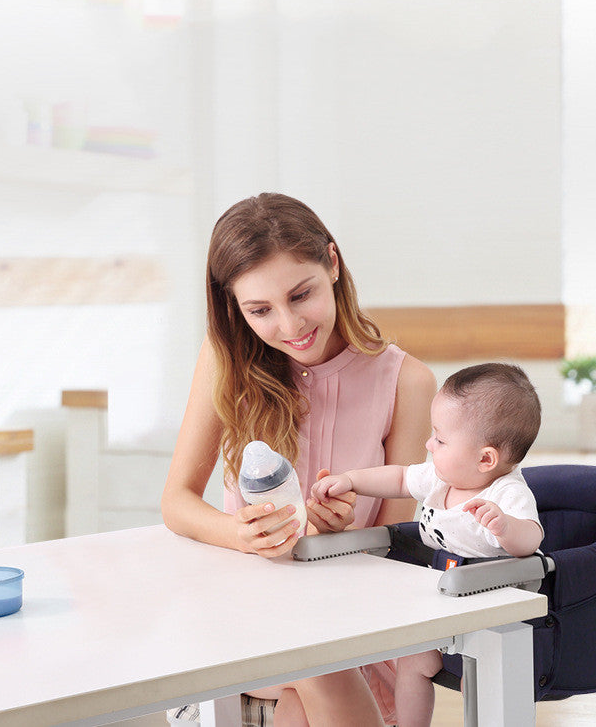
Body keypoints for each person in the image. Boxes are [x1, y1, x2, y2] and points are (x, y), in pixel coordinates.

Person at [161, 192, 436, 727]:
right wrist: (239, 534)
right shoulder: (227, 363)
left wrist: (336, 538)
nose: (289, 325)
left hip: (354, 618)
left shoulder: (408, 382)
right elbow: (176, 502)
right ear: (233, 306)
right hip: (247, 606)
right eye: (259, 310)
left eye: (300, 294)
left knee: (313, 671)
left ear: (332, 264)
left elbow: (400, 540)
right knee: (313, 661)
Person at [310, 362, 544, 727]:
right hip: (440, 599)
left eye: (440, 438)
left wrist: (505, 526)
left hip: (489, 611)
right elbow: (399, 478)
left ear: (485, 459)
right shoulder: (440, 476)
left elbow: (532, 539)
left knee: (482, 681)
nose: (428, 444)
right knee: (414, 664)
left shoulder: (507, 493)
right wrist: (351, 480)